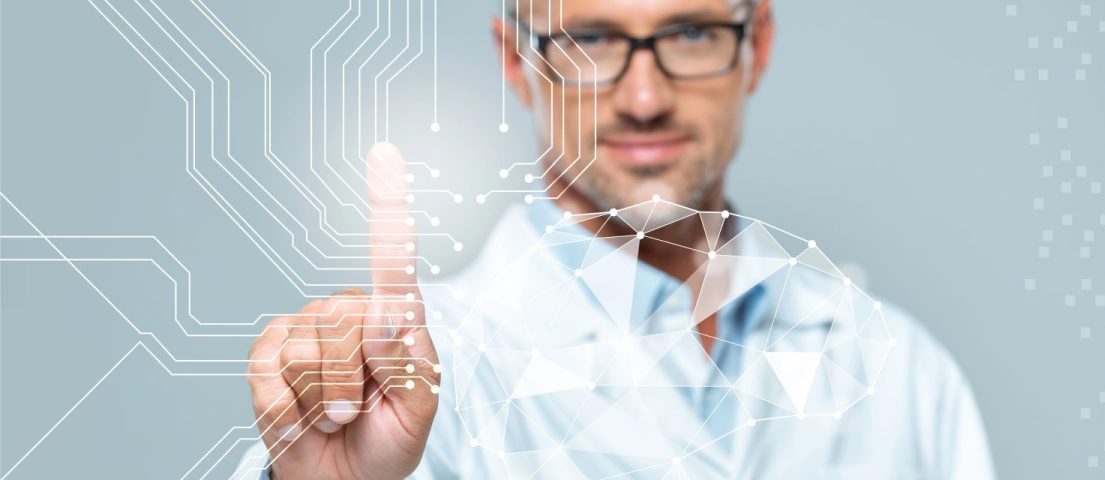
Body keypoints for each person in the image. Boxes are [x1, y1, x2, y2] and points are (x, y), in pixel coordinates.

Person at [238, 0, 994, 478]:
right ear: (515, 61)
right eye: (591, 38)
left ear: (756, 43)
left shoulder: (901, 376)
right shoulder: (406, 382)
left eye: (692, 32)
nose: (644, 97)